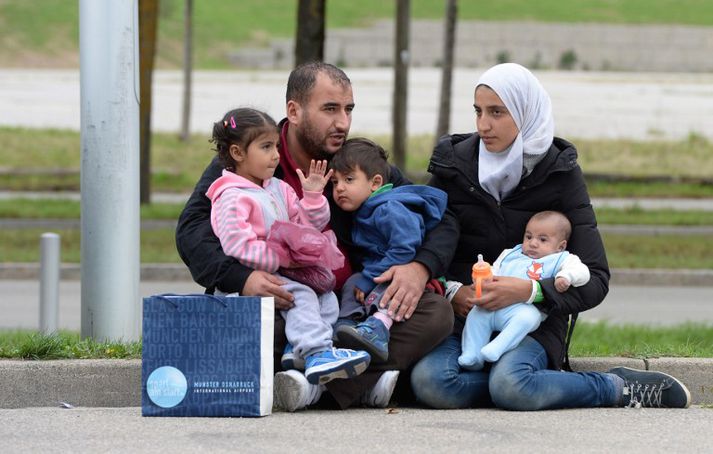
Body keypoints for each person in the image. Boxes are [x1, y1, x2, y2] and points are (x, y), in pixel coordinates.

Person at [175, 62, 455, 412]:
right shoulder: (249, 158)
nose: (343, 123)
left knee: (435, 314)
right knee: (252, 327)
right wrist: (241, 278)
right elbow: (191, 230)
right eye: (330, 109)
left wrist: (420, 267)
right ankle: (354, 381)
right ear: (294, 111)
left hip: (353, 309)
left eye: (348, 109)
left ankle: (311, 386)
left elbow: (441, 218)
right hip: (284, 302)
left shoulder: (355, 161)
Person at [410, 63, 691, 410]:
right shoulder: (454, 166)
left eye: (497, 112)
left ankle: (616, 387)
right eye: (478, 111)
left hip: (535, 323)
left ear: (525, 113)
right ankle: (517, 382)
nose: (483, 125)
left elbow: (596, 277)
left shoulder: (560, 172)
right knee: (431, 383)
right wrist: (454, 293)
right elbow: (426, 247)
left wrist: (531, 291)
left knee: (511, 385)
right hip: (468, 320)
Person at [205, 107, 371, 385]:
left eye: (276, 147)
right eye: (266, 147)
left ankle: (297, 351)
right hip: (261, 277)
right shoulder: (231, 197)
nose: (276, 155)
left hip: (287, 271)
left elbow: (304, 227)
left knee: (326, 296)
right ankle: (316, 352)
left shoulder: (277, 188)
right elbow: (237, 245)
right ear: (237, 153)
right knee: (303, 296)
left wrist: (313, 198)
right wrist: (280, 258)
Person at [328, 138, 448, 363]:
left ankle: (379, 327)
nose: (340, 188)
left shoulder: (389, 208)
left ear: (375, 183)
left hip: (402, 271)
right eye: (335, 182)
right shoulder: (366, 208)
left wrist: (370, 276)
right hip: (381, 269)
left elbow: (405, 248)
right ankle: (346, 325)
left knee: (389, 290)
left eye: (349, 179)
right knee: (352, 283)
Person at [458, 210, 590, 371]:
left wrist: (566, 276)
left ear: (560, 246)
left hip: (524, 309)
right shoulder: (511, 254)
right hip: (494, 305)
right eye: (528, 237)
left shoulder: (561, 259)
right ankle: (472, 354)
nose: (533, 243)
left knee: (528, 318)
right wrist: (485, 275)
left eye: (542, 239)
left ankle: (497, 347)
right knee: (476, 315)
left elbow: (583, 272)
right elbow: (496, 269)